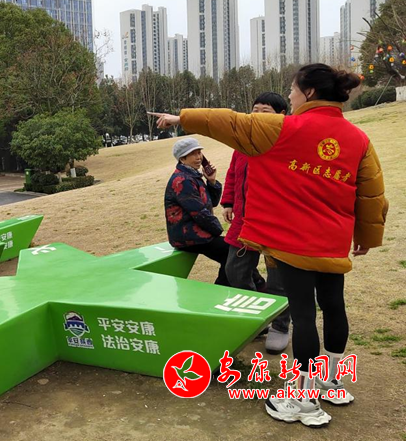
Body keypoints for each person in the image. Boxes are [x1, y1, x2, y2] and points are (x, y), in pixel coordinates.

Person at [154, 64, 388, 428]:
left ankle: (302, 400)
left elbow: (229, 122)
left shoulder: (282, 128)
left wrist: (180, 118)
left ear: (309, 93)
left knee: (304, 316)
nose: (290, 97)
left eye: (292, 90)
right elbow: (372, 194)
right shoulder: (358, 138)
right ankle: (331, 382)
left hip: (293, 242)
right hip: (332, 244)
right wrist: (367, 238)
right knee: (333, 306)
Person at [221, 92, 291, 354]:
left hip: (276, 223)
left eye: (266, 111)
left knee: (279, 279)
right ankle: (257, 318)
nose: (258, 115)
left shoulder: (287, 142)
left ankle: (280, 325)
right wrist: (228, 202)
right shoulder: (243, 141)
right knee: (235, 270)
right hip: (244, 220)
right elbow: (233, 174)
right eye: (255, 109)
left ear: (281, 115)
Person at [164, 138, 229, 286]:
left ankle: (251, 285)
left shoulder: (192, 175)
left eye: (199, 152)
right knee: (232, 252)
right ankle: (221, 289)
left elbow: (211, 203)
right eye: (193, 154)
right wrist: (217, 230)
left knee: (233, 253)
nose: (198, 157)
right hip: (188, 236)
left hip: (195, 233)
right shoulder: (183, 180)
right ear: (182, 158)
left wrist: (212, 181)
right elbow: (199, 212)